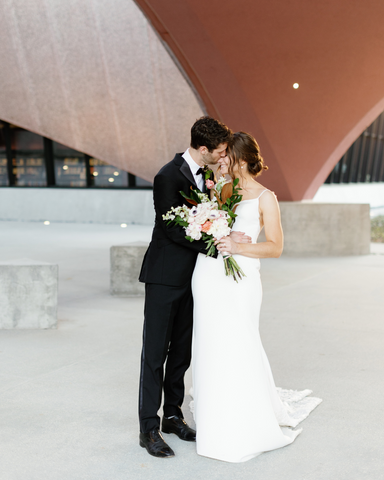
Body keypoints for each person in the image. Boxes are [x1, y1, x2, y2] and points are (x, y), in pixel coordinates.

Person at [191, 131, 321, 463]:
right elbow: (207, 226)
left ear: (245, 159)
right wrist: (211, 214)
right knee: (210, 341)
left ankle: (244, 416)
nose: (221, 161)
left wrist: (239, 246)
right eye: (220, 156)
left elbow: (275, 247)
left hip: (242, 279)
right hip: (208, 274)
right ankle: (215, 411)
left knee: (240, 340)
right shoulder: (220, 188)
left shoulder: (266, 198)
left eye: (227, 156)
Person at [138, 117, 251, 458]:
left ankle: (173, 415)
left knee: (182, 353)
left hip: (196, 279)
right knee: (155, 355)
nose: (222, 156)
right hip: (164, 276)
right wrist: (215, 245)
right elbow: (172, 229)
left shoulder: (210, 177)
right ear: (202, 149)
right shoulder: (166, 176)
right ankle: (148, 429)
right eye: (218, 151)